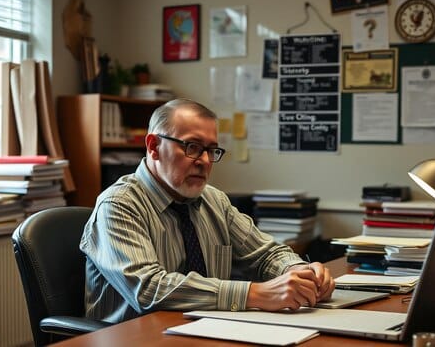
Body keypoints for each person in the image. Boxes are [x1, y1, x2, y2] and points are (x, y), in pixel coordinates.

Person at [80, 98, 335, 323]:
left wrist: (298, 272)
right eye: (191, 147)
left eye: (211, 150)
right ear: (154, 146)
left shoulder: (214, 201)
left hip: (204, 330)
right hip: (134, 337)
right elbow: (149, 288)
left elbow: (265, 254)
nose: (203, 161)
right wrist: (255, 294)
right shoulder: (118, 205)